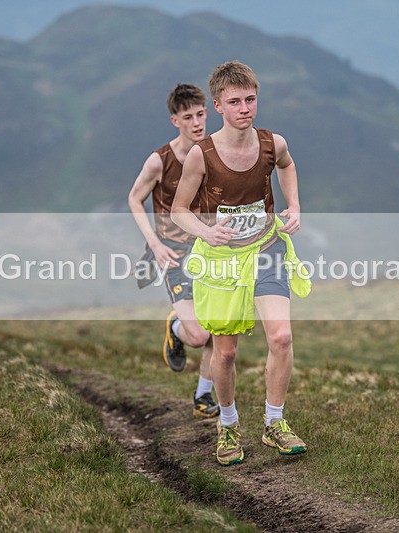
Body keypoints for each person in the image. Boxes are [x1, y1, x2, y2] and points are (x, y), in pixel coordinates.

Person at [171, 61, 311, 465]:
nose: (245, 108)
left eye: (250, 99)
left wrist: (295, 205)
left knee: (281, 337)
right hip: (221, 260)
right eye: (234, 102)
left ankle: (274, 424)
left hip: (267, 247)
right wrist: (205, 232)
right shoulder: (202, 155)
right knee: (226, 353)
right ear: (218, 105)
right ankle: (228, 425)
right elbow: (180, 209)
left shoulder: (272, 143)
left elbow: (287, 166)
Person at [127, 83, 219, 419]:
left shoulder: (215, 153)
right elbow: (134, 199)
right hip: (173, 254)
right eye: (187, 117)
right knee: (198, 335)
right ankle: (176, 328)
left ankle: (203, 397)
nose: (196, 123)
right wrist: (154, 243)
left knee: (219, 331)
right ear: (174, 120)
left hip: (210, 253)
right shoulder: (159, 161)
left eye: (200, 115)